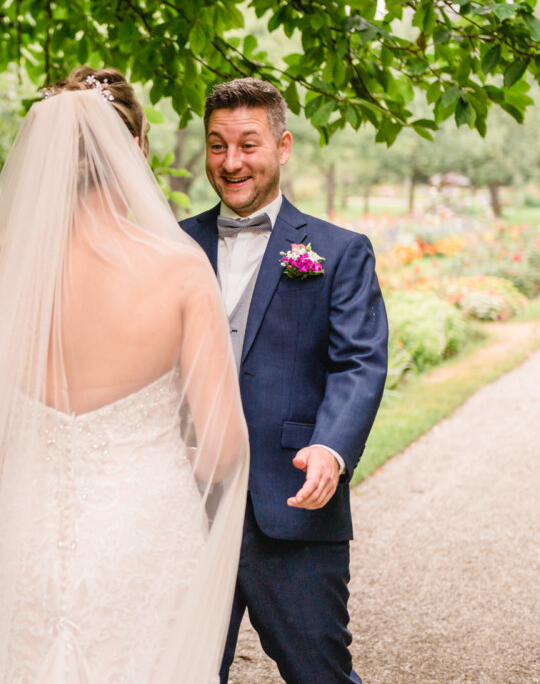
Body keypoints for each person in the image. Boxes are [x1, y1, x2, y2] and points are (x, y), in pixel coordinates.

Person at [0, 67, 251, 684]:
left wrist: (43, 452)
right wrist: (160, 453)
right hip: (146, 528)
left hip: (28, 533)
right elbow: (223, 451)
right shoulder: (180, 271)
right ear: (135, 149)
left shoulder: (2, 273)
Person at [179, 78, 388, 684]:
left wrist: (331, 446)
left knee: (319, 672)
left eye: (248, 144)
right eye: (217, 146)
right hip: (184, 506)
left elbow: (359, 361)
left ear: (283, 145)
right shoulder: (171, 245)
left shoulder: (339, 250)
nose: (232, 162)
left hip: (293, 503)